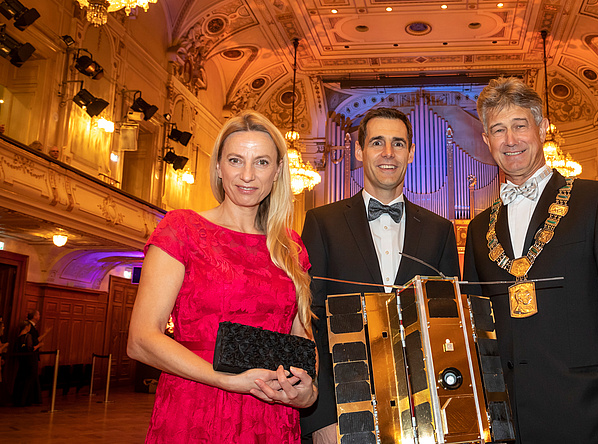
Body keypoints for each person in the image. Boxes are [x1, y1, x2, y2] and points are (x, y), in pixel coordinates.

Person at [461, 77, 598, 443]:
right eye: (498, 130)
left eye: (520, 125)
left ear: (542, 128)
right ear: (487, 141)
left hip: (589, 417)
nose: (510, 140)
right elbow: (480, 340)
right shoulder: (478, 230)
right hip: (509, 425)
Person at [127, 111, 317, 443]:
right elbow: (141, 340)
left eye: (261, 162)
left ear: (277, 172)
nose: (247, 175)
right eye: (235, 160)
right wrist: (226, 380)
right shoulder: (182, 228)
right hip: (196, 405)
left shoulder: (292, 246)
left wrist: (306, 392)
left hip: (271, 414)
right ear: (218, 167)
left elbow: (301, 342)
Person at [300, 107, 460, 443]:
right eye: (377, 143)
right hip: (344, 408)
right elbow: (309, 322)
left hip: (423, 412)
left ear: (411, 153)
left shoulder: (440, 230)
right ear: (359, 152)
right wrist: (321, 418)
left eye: (398, 144)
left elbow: (448, 326)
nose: (388, 153)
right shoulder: (322, 223)